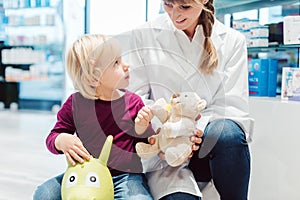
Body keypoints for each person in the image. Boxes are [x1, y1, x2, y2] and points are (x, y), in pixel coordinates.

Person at [122, 0, 254, 199]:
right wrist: (164, 135)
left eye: (184, 7)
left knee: (227, 133)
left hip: (209, 148)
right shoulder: (143, 35)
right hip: (163, 152)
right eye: (168, 4)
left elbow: (232, 107)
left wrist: (193, 132)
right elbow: (135, 102)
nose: (175, 14)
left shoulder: (232, 41)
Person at [33, 34, 156, 200]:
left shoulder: (133, 102)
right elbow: (53, 137)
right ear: (94, 79)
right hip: (84, 176)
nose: (126, 66)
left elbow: (145, 145)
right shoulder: (75, 104)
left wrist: (142, 127)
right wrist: (61, 140)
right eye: (116, 63)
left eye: (122, 59)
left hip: (124, 177)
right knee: (44, 194)